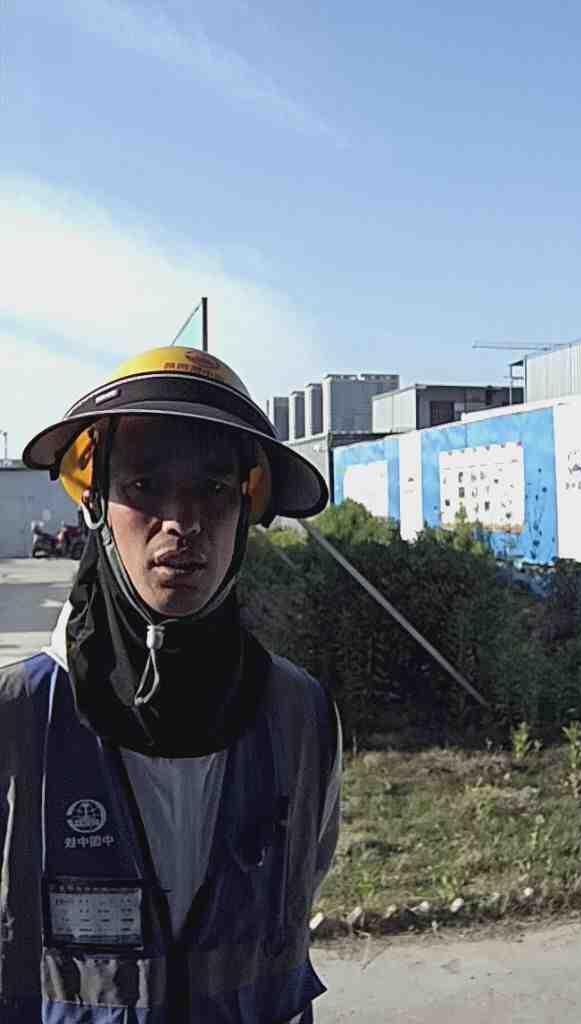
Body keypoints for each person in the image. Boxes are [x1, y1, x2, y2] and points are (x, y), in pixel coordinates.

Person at [0, 346, 341, 1023]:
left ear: (247, 507)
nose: (182, 522)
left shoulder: (300, 716)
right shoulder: (17, 718)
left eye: (213, 489)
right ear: (95, 503)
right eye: (145, 485)